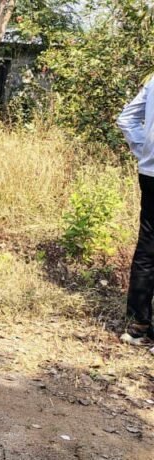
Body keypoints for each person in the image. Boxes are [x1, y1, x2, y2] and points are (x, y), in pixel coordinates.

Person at [116, 74, 154, 349]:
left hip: (150, 172)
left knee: (147, 248)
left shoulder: (153, 81)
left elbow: (126, 118)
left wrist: (145, 152)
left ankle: (139, 326)